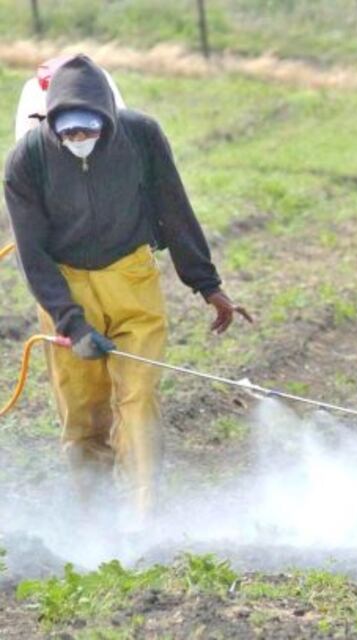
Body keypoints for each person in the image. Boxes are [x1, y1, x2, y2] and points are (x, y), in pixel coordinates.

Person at [3, 54, 252, 524]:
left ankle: (144, 519)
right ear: (52, 125)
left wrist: (208, 285)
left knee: (137, 397)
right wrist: (71, 324)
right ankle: (94, 521)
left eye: (89, 130)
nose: (80, 140)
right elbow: (32, 256)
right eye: (70, 133)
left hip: (131, 277)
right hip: (65, 286)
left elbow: (174, 209)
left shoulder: (142, 137)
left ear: (108, 120)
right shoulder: (26, 162)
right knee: (83, 411)